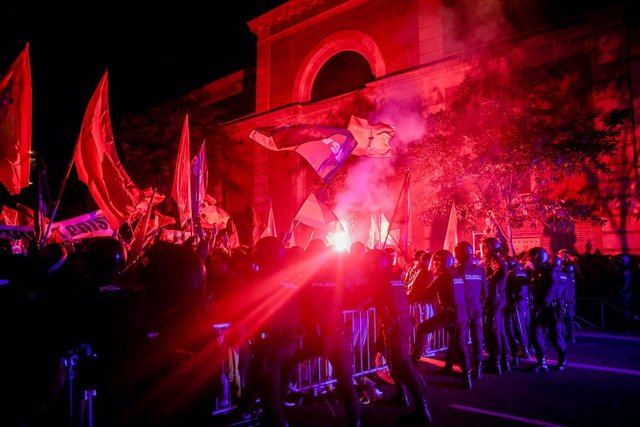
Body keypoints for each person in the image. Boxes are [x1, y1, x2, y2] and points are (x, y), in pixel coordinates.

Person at [364, 249, 432, 424]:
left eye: (371, 262)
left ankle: (422, 412)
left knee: (403, 365)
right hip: (401, 323)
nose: (369, 265)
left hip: (394, 324)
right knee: (394, 361)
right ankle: (401, 395)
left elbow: (369, 300)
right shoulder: (394, 277)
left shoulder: (379, 278)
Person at [412, 250, 472, 389]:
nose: (436, 263)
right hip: (461, 313)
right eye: (436, 260)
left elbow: (427, 293)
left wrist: (407, 300)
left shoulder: (443, 277)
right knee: (457, 342)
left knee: (422, 328)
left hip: (450, 314)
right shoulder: (457, 275)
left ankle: (413, 363)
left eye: (439, 260)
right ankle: (459, 373)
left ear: (447, 261)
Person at [529, 247, 567, 372]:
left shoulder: (548, 269)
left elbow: (553, 287)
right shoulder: (540, 269)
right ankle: (542, 362)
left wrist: (544, 303)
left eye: (533, 256)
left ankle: (562, 360)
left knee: (556, 337)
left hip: (550, 308)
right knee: (536, 334)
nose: (531, 259)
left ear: (539, 256)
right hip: (542, 306)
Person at [455, 241, 486, 379]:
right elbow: (485, 291)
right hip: (477, 307)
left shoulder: (458, 270)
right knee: (477, 337)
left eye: (456, 252)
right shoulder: (480, 270)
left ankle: (467, 371)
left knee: (461, 339)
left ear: (460, 253)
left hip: (463, 308)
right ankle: (478, 368)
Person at [481, 238, 509, 374]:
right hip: (498, 299)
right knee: (499, 330)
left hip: (495, 300)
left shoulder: (495, 259)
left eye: (484, 247)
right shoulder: (495, 259)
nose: (482, 249)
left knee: (493, 331)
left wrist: (486, 280)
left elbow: (501, 271)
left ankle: (495, 362)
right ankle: (503, 360)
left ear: (489, 247)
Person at [505, 256, 531, 365]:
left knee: (518, 325)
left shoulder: (511, 274)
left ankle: (524, 349)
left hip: (516, 302)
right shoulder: (523, 272)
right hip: (525, 301)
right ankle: (526, 347)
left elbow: (507, 289)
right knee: (524, 324)